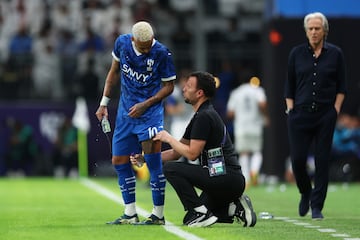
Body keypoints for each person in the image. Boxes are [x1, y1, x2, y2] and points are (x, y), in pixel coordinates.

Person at [132, 71, 256, 227]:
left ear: (199, 93)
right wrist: (146, 158)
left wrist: (168, 138)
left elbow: (192, 154)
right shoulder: (201, 115)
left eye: (189, 86)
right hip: (223, 178)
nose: (184, 88)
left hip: (225, 177)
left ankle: (199, 212)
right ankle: (234, 208)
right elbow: (176, 153)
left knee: (171, 169)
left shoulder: (204, 116)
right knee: (189, 218)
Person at [95, 21, 176, 225]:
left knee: (153, 162)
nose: (148, 49)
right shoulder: (122, 44)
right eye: (143, 46)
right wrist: (104, 103)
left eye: (149, 44)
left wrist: (146, 104)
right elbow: (113, 72)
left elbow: (169, 87)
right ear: (133, 40)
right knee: (119, 162)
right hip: (125, 114)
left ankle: (158, 214)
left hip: (150, 115)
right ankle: (130, 213)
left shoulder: (161, 53)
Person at [284, 12, 347, 220]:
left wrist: (335, 110)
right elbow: (289, 85)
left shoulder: (336, 54)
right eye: (310, 28)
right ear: (305, 31)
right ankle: (305, 192)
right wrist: (291, 110)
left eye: (317, 28)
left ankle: (317, 206)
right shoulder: (296, 53)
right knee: (298, 160)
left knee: (322, 161)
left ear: (325, 31)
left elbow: (342, 86)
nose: (313, 32)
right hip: (299, 114)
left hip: (325, 115)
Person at [226, 76, 269, 187]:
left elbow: (230, 113)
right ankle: (254, 171)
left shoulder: (236, 93)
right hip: (255, 125)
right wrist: (265, 116)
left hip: (241, 127)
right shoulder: (257, 90)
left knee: (244, 152)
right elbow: (263, 103)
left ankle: (246, 178)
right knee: (257, 151)